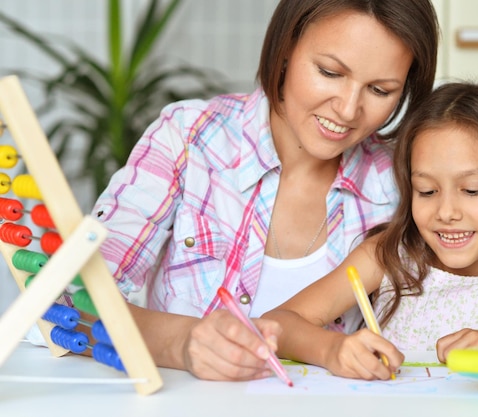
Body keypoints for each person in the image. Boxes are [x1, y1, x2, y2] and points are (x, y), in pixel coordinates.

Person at [90, 0, 439, 381]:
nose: (348, 109)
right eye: (329, 72)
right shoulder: (189, 137)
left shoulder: (403, 181)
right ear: (285, 49)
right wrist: (182, 343)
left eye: (380, 89)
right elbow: (74, 302)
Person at [262, 81, 478, 381]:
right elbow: (276, 323)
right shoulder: (388, 256)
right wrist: (332, 349)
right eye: (426, 191)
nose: (446, 212)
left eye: (472, 190)